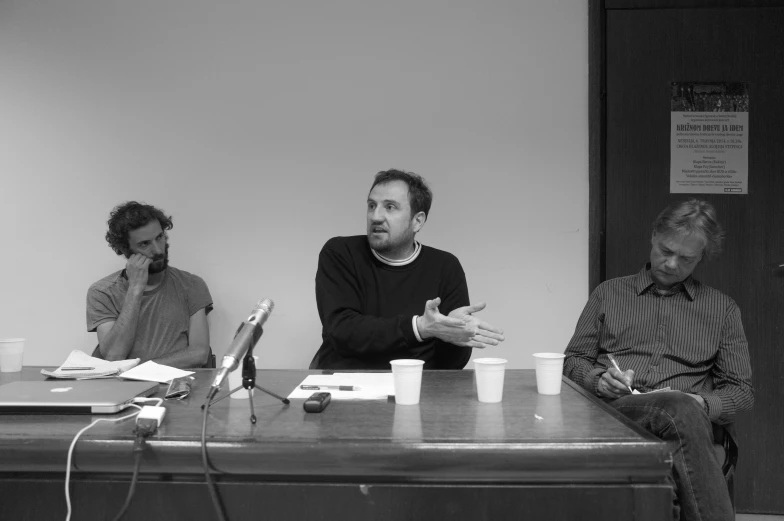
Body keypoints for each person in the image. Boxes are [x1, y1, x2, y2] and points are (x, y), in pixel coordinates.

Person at [563, 199, 753, 521]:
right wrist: (598, 379)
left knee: (676, 419)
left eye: (686, 259)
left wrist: (700, 403)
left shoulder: (722, 310)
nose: (671, 264)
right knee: (676, 407)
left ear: (701, 258)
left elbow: (741, 393)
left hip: (686, 421)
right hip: (619, 412)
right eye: (666, 250)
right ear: (653, 236)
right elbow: (573, 361)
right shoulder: (608, 294)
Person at [309, 169, 505, 370]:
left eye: (390, 207)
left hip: (416, 386)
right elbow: (343, 331)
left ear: (417, 221)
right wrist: (420, 327)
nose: (376, 216)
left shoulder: (446, 266)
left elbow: (451, 364)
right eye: (371, 205)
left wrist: (453, 333)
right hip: (346, 384)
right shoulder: (340, 253)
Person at [86, 202, 213, 369]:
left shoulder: (191, 284)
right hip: (123, 390)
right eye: (144, 244)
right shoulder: (102, 292)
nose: (158, 250)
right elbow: (113, 356)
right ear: (126, 250)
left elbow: (199, 353)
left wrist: (141, 371)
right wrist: (135, 289)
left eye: (159, 237)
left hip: (177, 387)